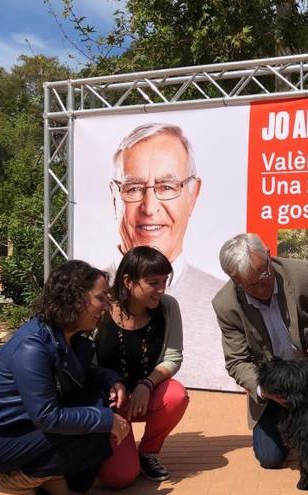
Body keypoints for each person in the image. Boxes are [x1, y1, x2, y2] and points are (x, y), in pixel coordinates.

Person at [0, 260, 129, 495]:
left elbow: (82, 374)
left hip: (19, 424)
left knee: (98, 409)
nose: (105, 306)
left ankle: (49, 477)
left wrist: (110, 379)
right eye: (100, 298)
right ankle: (20, 480)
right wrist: (106, 419)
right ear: (74, 297)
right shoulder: (32, 347)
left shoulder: (70, 336)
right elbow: (47, 416)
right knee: (96, 428)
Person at [212, 233, 308, 469]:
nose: (261, 287)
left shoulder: (305, 274)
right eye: (250, 285)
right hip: (278, 384)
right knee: (270, 458)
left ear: (269, 257)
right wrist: (264, 390)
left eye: (264, 275)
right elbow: (237, 361)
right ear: (234, 280)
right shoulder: (225, 304)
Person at [109, 123, 232, 391]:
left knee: (173, 396)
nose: (150, 207)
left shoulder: (222, 298)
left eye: (166, 187)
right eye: (133, 189)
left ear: (193, 194)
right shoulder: (94, 291)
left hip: (152, 394)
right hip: (105, 402)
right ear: (114, 196)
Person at [94, 246, 190, 488]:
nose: (161, 289)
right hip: (107, 401)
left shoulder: (168, 307)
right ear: (128, 281)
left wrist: (147, 384)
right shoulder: (101, 309)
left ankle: (148, 451)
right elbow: (86, 362)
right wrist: (109, 386)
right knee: (120, 478)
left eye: (165, 281)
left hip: (144, 395)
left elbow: (173, 357)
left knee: (176, 396)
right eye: (153, 282)